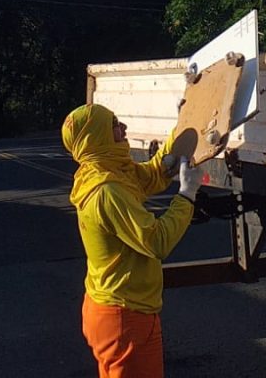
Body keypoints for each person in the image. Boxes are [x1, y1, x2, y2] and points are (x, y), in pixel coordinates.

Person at [61, 102, 202, 378]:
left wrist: (181, 126)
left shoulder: (107, 170)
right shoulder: (106, 190)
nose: (122, 127)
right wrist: (187, 194)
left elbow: (150, 176)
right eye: (113, 124)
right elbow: (157, 241)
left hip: (117, 310)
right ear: (95, 137)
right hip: (124, 316)